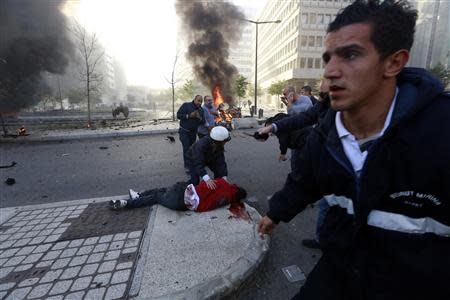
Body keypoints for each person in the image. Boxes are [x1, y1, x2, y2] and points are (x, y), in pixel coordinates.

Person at [258, 0, 450, 299]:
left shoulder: (440, 132)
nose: (331, 71)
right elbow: (304, 181)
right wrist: (276, 214)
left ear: (394, 63)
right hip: (340, 271)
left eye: (350, 55)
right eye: (328, 58)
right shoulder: (326, 134)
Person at [109, 178, 247, 213]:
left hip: (183, 191)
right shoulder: (227, 200)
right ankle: (131, 200)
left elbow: (205, 185)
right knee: (159, 196)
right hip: (182, 206)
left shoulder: (223, 183)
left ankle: (131, 201)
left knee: (159, 192)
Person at [176, 95, 204, 171]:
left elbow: (203, 121)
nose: (200, 103)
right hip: (184, 132)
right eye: (198, 100)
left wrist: (199, 118)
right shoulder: (186, 105)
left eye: (201, 101)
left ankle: (191, 164)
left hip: (193, 133)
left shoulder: (201, 110)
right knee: (186, 148)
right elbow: (178, 115)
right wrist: (188, 116)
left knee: (192, 149)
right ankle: (187, 166)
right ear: (194, 99)